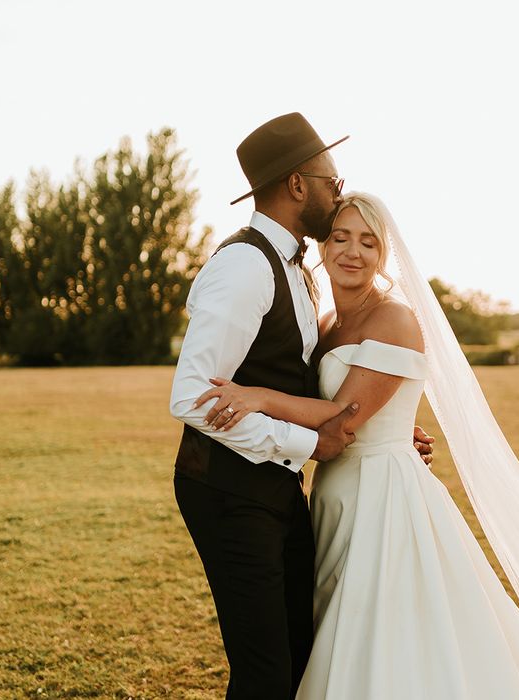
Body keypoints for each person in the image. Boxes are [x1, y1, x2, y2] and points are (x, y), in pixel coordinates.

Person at [195, 192, 519, 699]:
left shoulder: (396, 319)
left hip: (386, 494)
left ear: (384, 255)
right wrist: (385, 421)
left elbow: (341, 413)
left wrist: (256, 398)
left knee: (388, 624)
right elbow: (348, 405)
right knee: (340, 622)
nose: (352, 251)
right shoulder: (326, 325)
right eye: (340, 237)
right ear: (323, 245)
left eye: (368, 242)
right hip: (335, 491)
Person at [169, 113, 433, 700]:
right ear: (297, 185)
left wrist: (380, 420)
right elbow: (191, 395)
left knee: (300, 655)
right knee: (266, 671)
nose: (337, 194)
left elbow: (300, 377)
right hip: (230, 492)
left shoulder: (299, 272)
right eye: (332, 183)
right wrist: (311, 443)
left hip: (280, 490)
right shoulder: (243, 264)